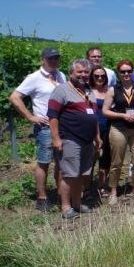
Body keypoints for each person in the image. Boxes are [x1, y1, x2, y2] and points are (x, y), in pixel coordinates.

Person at [9, 47, 66, 212]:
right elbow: (14, 97)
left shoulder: (61, 75)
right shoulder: (33, 78)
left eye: (56, 58)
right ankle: (42, 197)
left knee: (61, 163)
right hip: (45, 128)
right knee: (44, 162)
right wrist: (30, 117)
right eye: (50, 58)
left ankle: (62, 195)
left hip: (62, 126)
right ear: (42, 59)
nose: (54, 61)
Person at [47, 59, 101, 219]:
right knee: (69, 174)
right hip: (70, 138)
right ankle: (65, 207)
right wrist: (56, 138)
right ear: (71, 73)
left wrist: (97, 136)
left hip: (87, 141)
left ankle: (77, 204)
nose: (83, 75)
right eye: (80, 72)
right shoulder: (61, 91)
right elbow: (52, 116)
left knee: (81, 174)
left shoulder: (89, 91)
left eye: (86, 72)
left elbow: (94, 117)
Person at [103, 59, 134, 205]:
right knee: (117, 161)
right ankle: (113, 190)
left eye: (129, 71)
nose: (126, 74)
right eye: (123, 71)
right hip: (118, 128)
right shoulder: (113, 90)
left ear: (132, 71)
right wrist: (123, 115)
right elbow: (105, 111)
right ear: (119, 73)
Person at [89, 65, 111, 197]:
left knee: (105, 158)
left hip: (108, 128)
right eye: (96, 76)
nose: (100, 78)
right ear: (92, 77)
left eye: (102, 76)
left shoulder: (109, 91)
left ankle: (101, 186)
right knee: (91, 159)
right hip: (91, 129)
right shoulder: (88, 91)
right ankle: (88, 186)